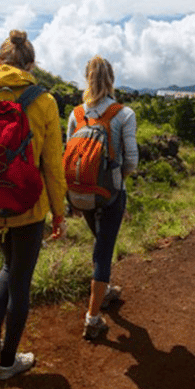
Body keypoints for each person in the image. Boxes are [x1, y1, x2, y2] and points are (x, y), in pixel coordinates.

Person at [0, 30, 67, 380]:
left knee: (8, 265)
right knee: (21, 279)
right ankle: (8, 363)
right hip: (28, 207)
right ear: (31, 65)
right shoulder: (45, 102)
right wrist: (59, 213)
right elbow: (53, 164)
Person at [67, 55, 138, 341]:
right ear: (112, 79)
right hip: (110, 193)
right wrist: (118, 180)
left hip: (80, 193)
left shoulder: (76, 114)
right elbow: (131, 160)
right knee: (104, 252)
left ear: (87, 78)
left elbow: (68, 155)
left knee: (99, 242)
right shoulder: (124, 114)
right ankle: (93, 318)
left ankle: (104, 289)